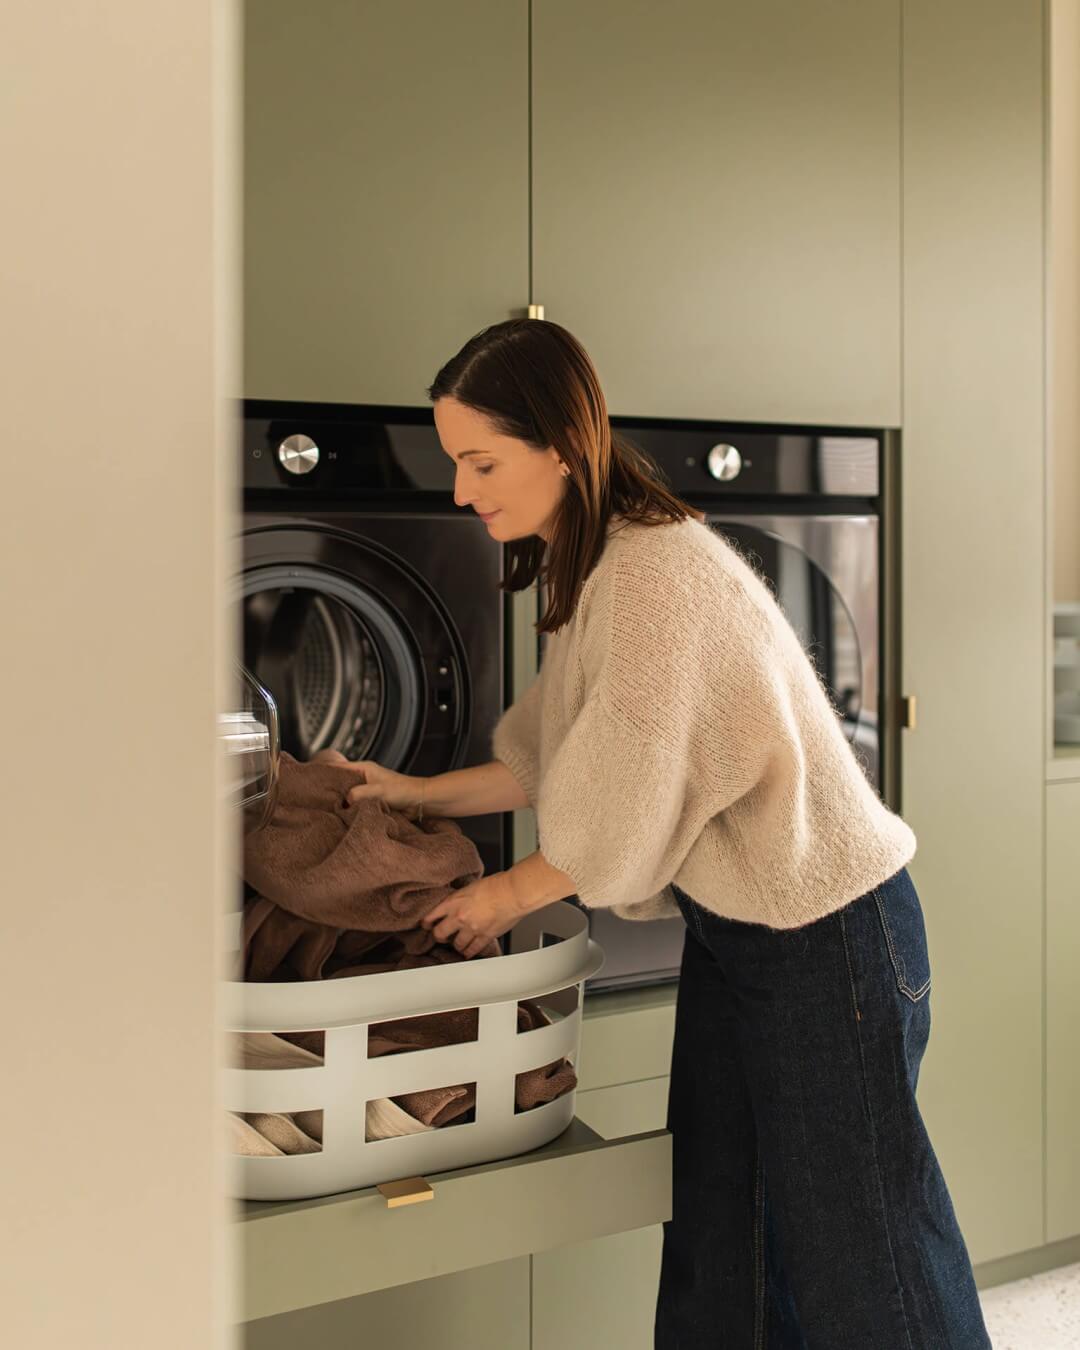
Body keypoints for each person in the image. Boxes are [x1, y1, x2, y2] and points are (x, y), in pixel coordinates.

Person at [342, 318, 992, 1349]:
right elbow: (543, 760)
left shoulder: (657, 578)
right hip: (748, 934)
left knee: (866, 1268)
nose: (462, 492)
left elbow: (616, 814)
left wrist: (502, 898)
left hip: (832, 941)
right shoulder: (601, 571)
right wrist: (405, 794)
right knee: (721, 1238)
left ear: (561, 445)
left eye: (480, 461)